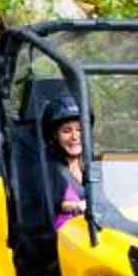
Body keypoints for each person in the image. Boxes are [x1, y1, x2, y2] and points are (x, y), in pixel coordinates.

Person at [45, 93, 90, 233]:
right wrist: (76, 207)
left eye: (80, 130)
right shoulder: (48, 169)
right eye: (66, 131)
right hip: (65, 239)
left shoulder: (95, 166)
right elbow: (47, 204)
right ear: (55, 135)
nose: (75, 137)